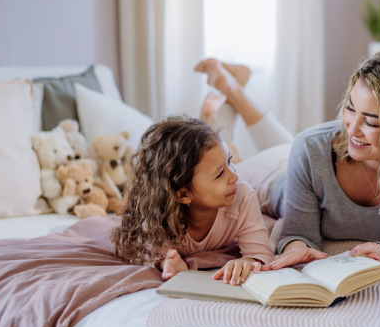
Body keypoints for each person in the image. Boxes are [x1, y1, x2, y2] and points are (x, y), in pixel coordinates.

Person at [193, 48, 380, 271]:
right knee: (232, 163)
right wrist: (296, 248)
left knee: (295, 143)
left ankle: (231, 87)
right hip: (272, 177)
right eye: (350, 108)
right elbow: (296, 234)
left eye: (371, 123)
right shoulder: (312, 148)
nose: (351, 128)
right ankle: (211, 116)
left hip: (304, 156)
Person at [111, 115, 274, 284]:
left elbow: (262, 255)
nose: (234, 176)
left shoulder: (243, 196)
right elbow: (148, 255)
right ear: (182, 195)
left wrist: (248, 262)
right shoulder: (159, 217)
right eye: (220, 174)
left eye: (229, 162)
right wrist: (167, 263)